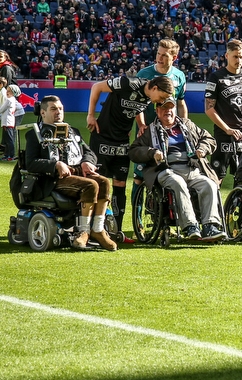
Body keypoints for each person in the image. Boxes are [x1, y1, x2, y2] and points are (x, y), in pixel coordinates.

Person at [128, 97, 226, 242]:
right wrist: (152, 152)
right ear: (157, 111)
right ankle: (190, 226)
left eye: (170, 108)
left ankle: (210, 225)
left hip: (191, 168)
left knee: (209, 184)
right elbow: (134, 151)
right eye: (163, 108)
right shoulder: (150, 131)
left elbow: (209, 139)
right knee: (178, 182)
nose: (168, 111)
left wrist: (202, 149)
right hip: (165, 169)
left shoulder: (187, 125)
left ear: (175, 109)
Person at [86, 74, 175, 233]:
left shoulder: (149, 97)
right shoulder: (128, 82)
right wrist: (91, 115)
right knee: (99, 183)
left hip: (122, 141)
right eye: (161, 97)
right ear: (154, 88)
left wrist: (141, 124)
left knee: (120, 184)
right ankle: (93, 229)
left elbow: (137, 107)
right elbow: (97, 87)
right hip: (102, 137)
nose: (161, 102)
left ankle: (116, 231)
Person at [25, 96, 116, 251]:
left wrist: (87, 161)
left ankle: (98, 229)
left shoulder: (73, 132)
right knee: (91, 185)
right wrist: (55, 165)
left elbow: (89, 153)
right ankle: (83, 232)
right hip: (53, 180)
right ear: (43, 112)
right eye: (53, 109)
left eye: (60, 109)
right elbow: (31, 163)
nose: (58, 112)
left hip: (77, 174)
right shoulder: (35, 134)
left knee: (104, 182)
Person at [205, 39, 242, 185]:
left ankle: (241, 207)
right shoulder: (216, 77)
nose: (239, 60)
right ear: (227, 56)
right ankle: (213, 207)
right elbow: (209, 109)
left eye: (241, 56)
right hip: (223, 135)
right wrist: (227, 129)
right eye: (235, 56)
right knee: (216, 178)